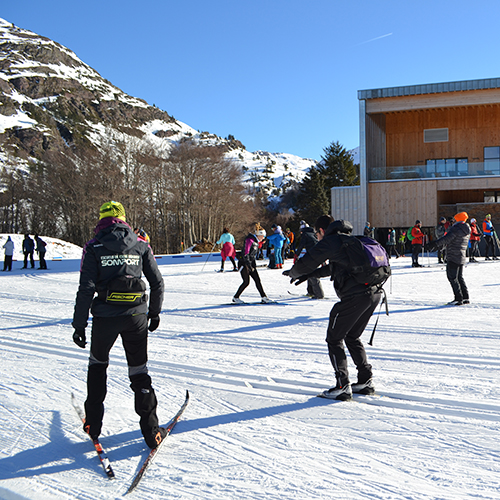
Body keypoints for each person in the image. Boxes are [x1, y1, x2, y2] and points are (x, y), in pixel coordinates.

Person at [72, 201, 166, 449]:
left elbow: (86, 288)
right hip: (136, 317)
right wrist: (154, 314)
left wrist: (79, 324)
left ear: (101, 220)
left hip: (105, 318)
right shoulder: (140, 244)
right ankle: (151, 432)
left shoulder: (93, 247)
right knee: (139, 371)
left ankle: (93, 424)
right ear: (124, 219)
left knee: (98, 367)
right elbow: (157, 283)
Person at [284, 216, 383, 400]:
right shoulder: (349, 241)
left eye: (316, 233)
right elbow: (335, 268)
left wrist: (294, 271)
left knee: (334, 338)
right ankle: (365, 380)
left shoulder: (332, 240)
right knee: (352, 336)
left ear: (321, 230)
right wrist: (310, 275)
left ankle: (342, 385)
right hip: (374, 294)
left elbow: (309, 260)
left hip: (355, 297)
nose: (317, 236)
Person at [426, 212, 471, 305]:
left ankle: (458, 298)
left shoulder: (456, 229)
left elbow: (446, 239)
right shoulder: (466, 229)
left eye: (454, 219)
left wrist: (434, 244)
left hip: (453, 256)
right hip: (461, 256)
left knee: (452, 277)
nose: (453, 221)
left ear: (457, 220)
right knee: (459, 277)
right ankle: (465, 297)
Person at [233, 223, 272, 304]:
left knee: (257, 280)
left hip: (250, 263)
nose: (263, 238)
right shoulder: (249, 240)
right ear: (259, 235)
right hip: (243, 263)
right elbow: (245, 254)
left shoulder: (256, 242)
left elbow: (252, 255)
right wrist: (249, 265)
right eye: (263, 236)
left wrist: (253, 265)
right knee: (246, 282)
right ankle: (236, 297)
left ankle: (264, 297)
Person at [295, 220, 324, 299]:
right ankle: (310, 291)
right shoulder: (313, 234)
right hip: (317, 255)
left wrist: (296, 255)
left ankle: (319, 294)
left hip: (313, 256)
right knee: (309, 273)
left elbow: (301, 245)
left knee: (313, 275)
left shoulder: (305, 234)